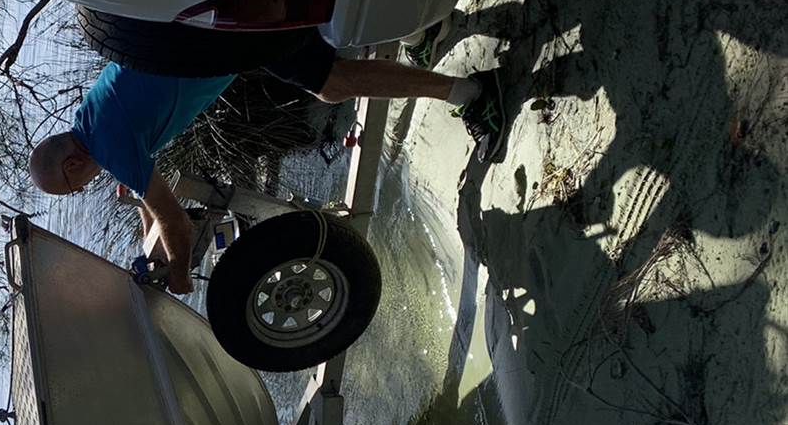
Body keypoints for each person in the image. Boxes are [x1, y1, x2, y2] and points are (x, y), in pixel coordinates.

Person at [28, 25, 507, 292]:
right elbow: (149, 192)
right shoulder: (91, 118)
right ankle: (422, 27)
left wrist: (179, 276)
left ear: (71, 166)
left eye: (73, 187)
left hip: (232, 40)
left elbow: (176, 225)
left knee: (334, 82)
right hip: (212, 29)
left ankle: (472, 93)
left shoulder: (109, 147)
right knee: (331, 34)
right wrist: (142, 207)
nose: (82, 187)